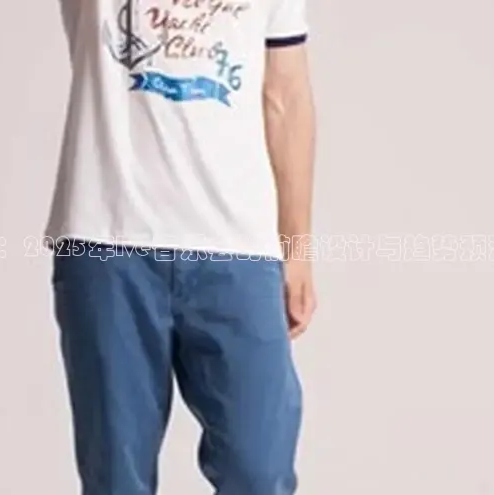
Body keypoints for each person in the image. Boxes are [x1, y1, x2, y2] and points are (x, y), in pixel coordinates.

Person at [45, 0, 317, 492]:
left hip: (237, 245)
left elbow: (286, 96)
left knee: (259, 469)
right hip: (109, 238)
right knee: (116, 478)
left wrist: (296, 247)